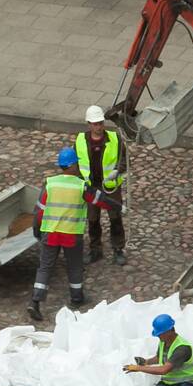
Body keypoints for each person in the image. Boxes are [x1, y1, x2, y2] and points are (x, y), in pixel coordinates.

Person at [28, 147, 121, 321]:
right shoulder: (80, 186)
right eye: (76, 163)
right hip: (70, 234)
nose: (78, 166)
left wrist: (37, 227)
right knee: (74, 266)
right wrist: (119, 207)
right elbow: (99, 200)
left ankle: (35, 302)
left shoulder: (51, 183)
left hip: (50, 232)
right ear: (71, 166)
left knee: (45, 267)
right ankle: (76, 297)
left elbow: (39, 209)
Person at [76, 105, 127, 266]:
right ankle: (95, 250)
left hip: (110, 187)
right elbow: (76, 164)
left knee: (115, 217)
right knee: (92, 219)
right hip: (91, 187)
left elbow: (124, 160)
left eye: (100, 123)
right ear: (89, 124)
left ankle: (118, 249)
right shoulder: (80, 141)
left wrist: (117, 171)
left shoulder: (115, 139)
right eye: (95, 124)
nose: (98, 127)